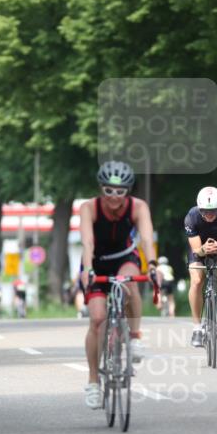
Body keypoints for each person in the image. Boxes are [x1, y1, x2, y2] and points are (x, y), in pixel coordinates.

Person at [79, 161, 157, 409]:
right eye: (108, 191)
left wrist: (153, 265)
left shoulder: (138, 207)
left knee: (129, 283)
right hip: (96, 263)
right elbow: (87, 243)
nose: (114, 197)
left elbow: (145, 238)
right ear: (101, 189)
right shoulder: (89, 208)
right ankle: (93, 381)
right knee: (98, 320)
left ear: (128, 191)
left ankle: (134, 336)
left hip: (124, 258)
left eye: (120, 191)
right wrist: (88, 270)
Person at [185, 186, 217, 347]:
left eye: (213, 211)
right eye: (205, 211)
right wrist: (203, 249)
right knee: (196, 280)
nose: (209, 215)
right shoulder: (191, 217)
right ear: (199, 208)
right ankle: (197, 328)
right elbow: (195, 250)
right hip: (198, 250)